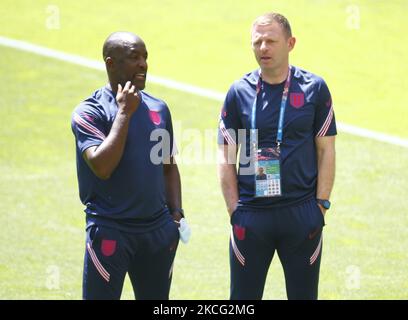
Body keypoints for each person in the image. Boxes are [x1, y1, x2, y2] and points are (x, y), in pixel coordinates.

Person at [218, 12, 336, 300]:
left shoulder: (314, 88)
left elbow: (326, 150)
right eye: (257, 42)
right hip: (252, 215)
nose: (263, 48)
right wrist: (235, 209)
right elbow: (225, 155)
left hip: (301, 213)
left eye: (271, 41)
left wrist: (320, 206)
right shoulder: (238, 92)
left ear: (291, 43)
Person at [71, 31, 189, 300]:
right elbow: (102, 166)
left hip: (158, 233)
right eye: (134, 58)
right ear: (111, 63)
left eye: (145, 57)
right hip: (111, 231)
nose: (144, 64)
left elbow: (168, 166)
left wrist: (176, 216)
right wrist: (124, 112)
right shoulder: (90, 112)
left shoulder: (159, 109)